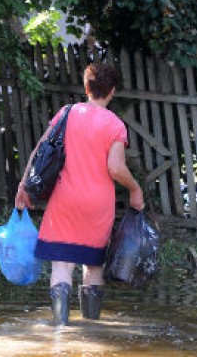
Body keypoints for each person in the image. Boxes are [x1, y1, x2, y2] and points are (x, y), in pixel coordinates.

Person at [15, 63, 144, 326]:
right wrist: (135, 188)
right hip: (97, 206)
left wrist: (23, 185)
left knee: (62, 265)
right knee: (93, 267)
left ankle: (61, 330)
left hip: (65, 201)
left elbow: (39, 151)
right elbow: (116, 168)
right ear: (112, 92)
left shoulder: (67, 113)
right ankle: (91, 328)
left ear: (86, 87)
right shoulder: (116, 125)